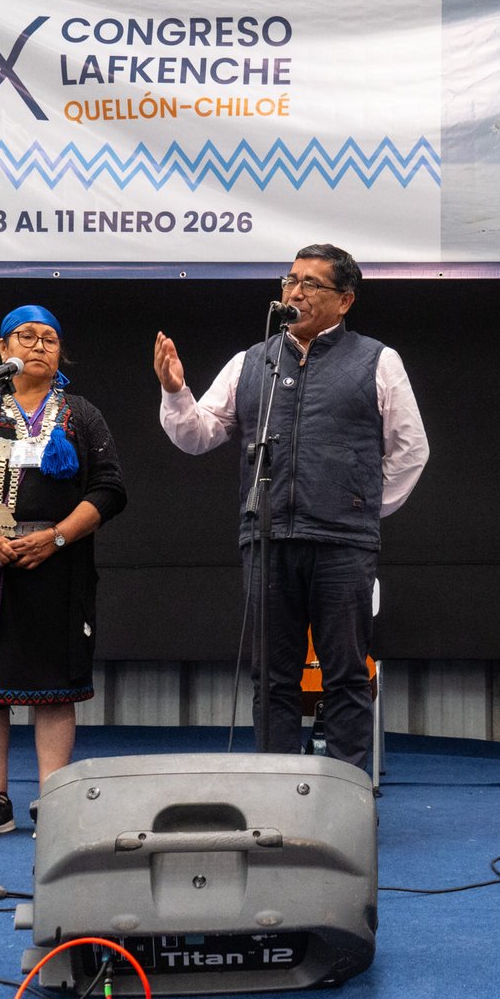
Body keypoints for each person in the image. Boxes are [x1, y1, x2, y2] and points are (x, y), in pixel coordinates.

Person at [153, 243, 429, 767]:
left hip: (342, 543)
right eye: (290, 280)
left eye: (311, 284)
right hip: (267, 537)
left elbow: (411, 449)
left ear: (345, 300)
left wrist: (361, 505)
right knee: (272, 677)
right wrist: (175, 391)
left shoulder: (378, 360)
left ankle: (345, 795)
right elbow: (198, 434)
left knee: (345, 674)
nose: (295, 292)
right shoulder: (250, 361)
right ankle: (275, 793)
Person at [0, 305, 126, 838]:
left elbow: (110, 489)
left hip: (56, 567)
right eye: (26, 336)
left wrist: (57, 536)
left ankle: (55, 801)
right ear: (3, 348)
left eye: (50, 339)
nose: (39, 345)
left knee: (54, 690)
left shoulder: (81, 415)